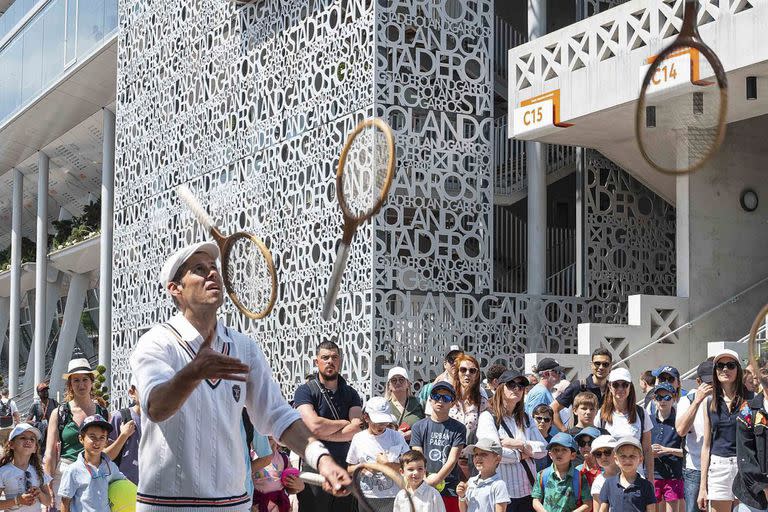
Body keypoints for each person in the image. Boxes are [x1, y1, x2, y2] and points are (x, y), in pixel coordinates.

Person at [130, 242, 350, 511]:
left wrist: (322, 458)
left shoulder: (244, 347)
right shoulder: (156, 342)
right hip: (168, 505)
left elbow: (277, 414)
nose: (212, 274)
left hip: (233, 503)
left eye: (214, 268)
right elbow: (155, 407)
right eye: (199, 269)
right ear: (175, 289)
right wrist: (192, 373)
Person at [294, 339, 362, 512]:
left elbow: (355, 429)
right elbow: (314, 425)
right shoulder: (305, 390)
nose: (330, 361)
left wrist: (322, 432)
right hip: (315, 470)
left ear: (340, 361)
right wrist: (343, 423)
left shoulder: (351, 393)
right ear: (317, 362)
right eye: (325, 357)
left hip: (344, 469)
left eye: (334, 357)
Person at [476, 370, 547, 512]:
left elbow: (543, 449)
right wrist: (523, 454)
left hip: (528, 489)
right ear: (500, 387)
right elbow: (493, 453)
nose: (517, 388)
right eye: (511, 384)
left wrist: (520, 444)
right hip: (502, 493)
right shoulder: (488, 417)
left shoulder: (525, 417)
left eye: (521, 386)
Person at [43, 358, 109, 510]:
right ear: (70, 385)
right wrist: (48, 482)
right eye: (76, 380)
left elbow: (105, 447)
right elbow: (50, 451)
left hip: (94, 472)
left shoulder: (103, 412)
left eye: (85, 379)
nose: (81, 384)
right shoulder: (59, 413)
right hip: (66, 471)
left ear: (92, 382)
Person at [698, 349, 747, 512]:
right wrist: (702, 487)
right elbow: (706, 446)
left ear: (738, 370)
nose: (725, 369)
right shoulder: (709, 402)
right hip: (718, 466)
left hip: (745, 466)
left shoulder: (751, 400)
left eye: (730, 365)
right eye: (720, 365)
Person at [410, 381, 466, 512]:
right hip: (422, 485)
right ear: (430, 400)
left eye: (446, 398)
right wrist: (424, 480)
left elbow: (453, 460)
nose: (440, 400)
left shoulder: (459, 428)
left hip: (450, 488)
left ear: (452, 403)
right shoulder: (418, 426)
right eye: (436, 396)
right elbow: (417, 457)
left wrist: (437, 479)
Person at [346, 396, 410, 511]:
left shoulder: (397, 436)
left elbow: (408, 466)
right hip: (366, 497)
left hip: (393, 496)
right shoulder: (358, 438)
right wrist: (364, 468)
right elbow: (350, 468)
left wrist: (386, 465)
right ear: (366, 417)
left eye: (385, 421)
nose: (382, 425)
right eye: (377, 421)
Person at [595, 367, 653, 479]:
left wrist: (650, 478)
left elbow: (647, 449)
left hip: (636, 478)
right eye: (616, 385)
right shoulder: (601, 415)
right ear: (609, 386)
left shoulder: (641, 413)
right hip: (609, 478)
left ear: (630, 386)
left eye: (625, 384)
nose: (620, 388)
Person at [59, 415, 126, 512]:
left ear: (106, 441)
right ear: (81, 439)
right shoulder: (73, 470)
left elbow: (123, 483)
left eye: (102, 437)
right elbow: (65, 503)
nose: (97, 442)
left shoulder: (110, 466)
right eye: (92, 437)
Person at [674, 359, 713, 512]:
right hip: (694, 469)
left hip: (719, 467)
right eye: (708, 382)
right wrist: (697, 401)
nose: (712, 387)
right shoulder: (687, 400)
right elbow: (681, 430)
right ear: (698, 381)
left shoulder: (725, 400)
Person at [733, 354, 768, 512]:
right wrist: (765, 489)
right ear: (758, 376)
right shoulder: (748, 410)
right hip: (754, 499)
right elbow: (745, 457)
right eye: (765, 371)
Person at [552, 348, 612, 432]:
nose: (601, 367)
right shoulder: (578, 386)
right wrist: (565, 432)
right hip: (581, 441)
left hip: (605, 440)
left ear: (610, 366)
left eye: (605, 364)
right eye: (597, 363)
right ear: (591, 365)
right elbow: (553, 409)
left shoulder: (613, 390)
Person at [531, 432, 590, 512]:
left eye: (564, 450)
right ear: (550, 454)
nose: (559, 453)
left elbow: (588, 504)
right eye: (555, 450)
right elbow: (536, 500)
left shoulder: (580, 477)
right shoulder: (542, 475)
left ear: (573, 455)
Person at [451, 355, 488, 481]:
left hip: (469, 461)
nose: (467, 374)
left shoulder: (481, 401)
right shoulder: (447, 397)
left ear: (477, 375)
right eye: (463, 370)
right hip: (447, 456)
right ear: (457, 372)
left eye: (472, 371)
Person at [0, 423, 53, 511]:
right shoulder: (3, 472)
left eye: (32, 439)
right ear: (11, 445)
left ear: (35, 448)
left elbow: (48, 502)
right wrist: (18, 500)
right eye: (23, 438)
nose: (28, 441)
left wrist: (39, 493)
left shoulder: (39, 471)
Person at [649, 382, 683, 512]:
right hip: (653, 474)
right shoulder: (648, 420)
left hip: (673, 474)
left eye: (667, 397)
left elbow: (686, 452)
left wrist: (667, 450)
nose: (662, 401)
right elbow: (641, 448)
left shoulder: (679, 421)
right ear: (654, 400)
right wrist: (649, 451)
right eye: (659, 397)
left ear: (674, 398)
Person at [598, 436, 656, 512]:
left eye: (632, 456)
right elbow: (603, 509)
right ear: (616, 459)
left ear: (640, 459)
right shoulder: (609, 483)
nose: (627, 460)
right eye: (623, 456)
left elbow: (651, 510)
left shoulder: (646, 485)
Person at [456, 438, 510, 512]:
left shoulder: (499, 485)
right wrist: (462, 496)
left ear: (497, 459)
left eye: (483, 454)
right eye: (475, 454)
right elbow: (463, 510)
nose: (478, 457)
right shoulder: (471, 481)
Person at [251, 437, 304, 512]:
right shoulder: (251, 456)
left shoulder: (284, 459)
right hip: (257, 504)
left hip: (279, 504)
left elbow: (289, 488)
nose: (267, 434)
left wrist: (297, 487)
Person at [104, 377, 141, 485]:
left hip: (150, 488)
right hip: (123, 486)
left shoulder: (159, 420)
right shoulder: (121, 417)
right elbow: (106, 456)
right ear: (132, 392)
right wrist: (124, 435)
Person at [385, 367, 425, 442]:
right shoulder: (384, 406)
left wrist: (414, 434)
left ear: (407, 384)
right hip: (389, 450)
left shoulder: (420, 403)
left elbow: (429, 426)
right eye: (394, 380)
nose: (398, 383)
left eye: (401, 379)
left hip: (414, 450)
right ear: (389, 385)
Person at [26, 381, 58, 457]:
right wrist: (37, 424)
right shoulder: (35, 405)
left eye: (46, 390)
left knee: (52, 454)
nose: (46, 392)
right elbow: (27, 421)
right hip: (40, 436)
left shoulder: (54, 403)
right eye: (43, 391)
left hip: (52, 433)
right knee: (40, 455)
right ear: (38, 393)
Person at [590, 435, 618, 512]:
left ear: (616, 452)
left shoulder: (632, 474)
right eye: (598, 454)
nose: (603, 457)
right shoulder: (598, 481)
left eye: (607, 452)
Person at [531, 404, 554, 472]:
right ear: (532, 420)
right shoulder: (526, 438)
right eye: (539, 418)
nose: (542, 421)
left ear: (551, 423)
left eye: (546, 419)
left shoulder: (554, 442)